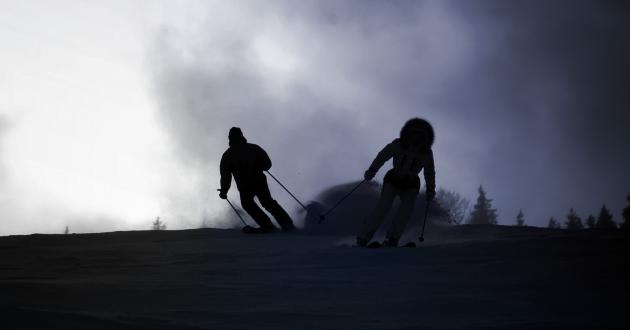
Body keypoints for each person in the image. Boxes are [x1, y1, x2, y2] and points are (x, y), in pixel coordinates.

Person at [357, 118, 436, 247]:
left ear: (425, 137)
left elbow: (429, 171)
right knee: (383, 206)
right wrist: (372, 169)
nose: (416, 138)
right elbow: (383, 156)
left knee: (405, 211)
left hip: (411, 184)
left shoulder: (426, 153)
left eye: (420, 135)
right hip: (393, 179)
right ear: (408, 133)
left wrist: (431, 189)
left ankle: (392, 238)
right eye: (413, 134)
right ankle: (363, 237)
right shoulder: (399, 145)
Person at [219, 127, 296, 233]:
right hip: (255, 182)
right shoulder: (252, 148)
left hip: (248, 184)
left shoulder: (229, 155)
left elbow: (226, 176)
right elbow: (267, 163)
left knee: (253, 204)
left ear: (230, 138)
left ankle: (270, 225)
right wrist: (262, 165)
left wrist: (224, 191)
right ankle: (284, 224)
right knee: (264, 202)